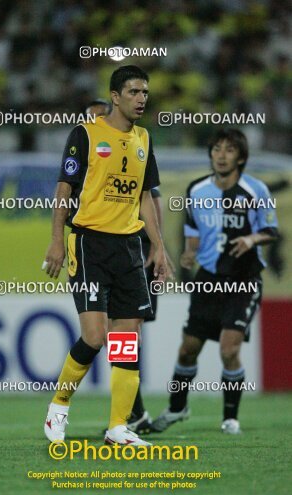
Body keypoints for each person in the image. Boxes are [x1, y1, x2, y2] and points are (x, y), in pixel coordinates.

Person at [43, 65, 167, 446]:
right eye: (133, 92)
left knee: (128, 340)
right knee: (95, 337)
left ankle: (118, 427)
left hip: (129, 248)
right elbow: (65, 188)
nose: (141, 98)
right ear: (115, 96)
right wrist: (55, 241)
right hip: (89, 242)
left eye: (144, 92)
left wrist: (159, 247)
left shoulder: (145, 138)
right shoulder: (85, 133)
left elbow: (145, 197)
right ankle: (58, 408)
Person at [151, 128, 279, 435]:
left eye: (229, 150)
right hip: (208, 279)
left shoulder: (256, 190)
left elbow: (272, 231)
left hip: (243, 280)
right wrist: (188, 253)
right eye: (217, 149)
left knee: (228, 349)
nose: (221, 155)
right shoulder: (197, 189)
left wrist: (251, 238)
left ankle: (230, 418)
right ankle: (177, 408)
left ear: (241, 157)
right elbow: (193, 227)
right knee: (188, 349)